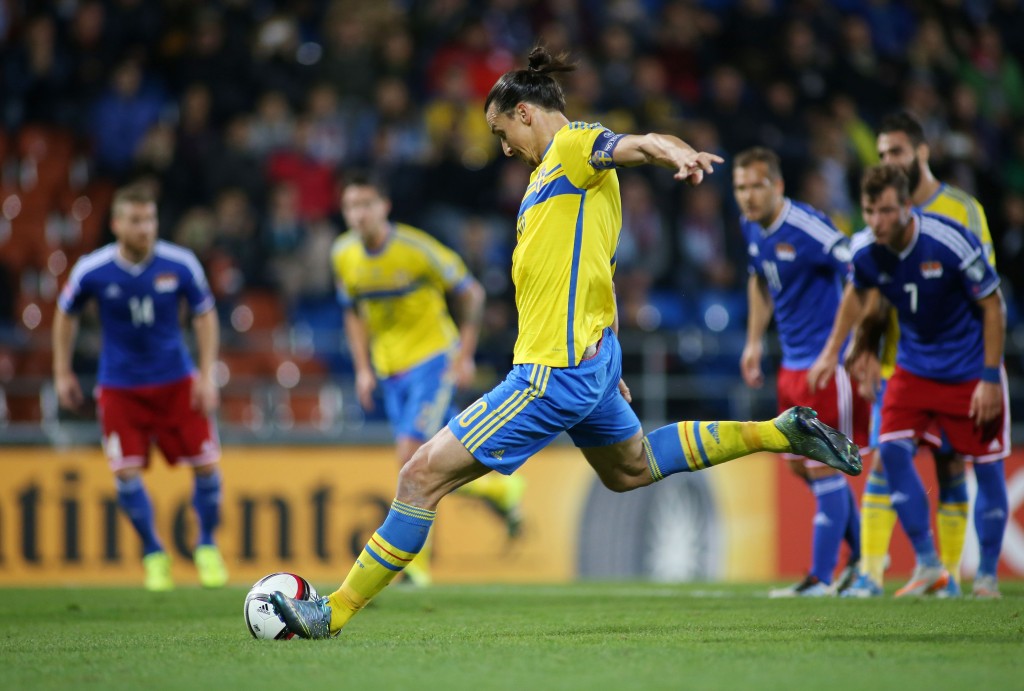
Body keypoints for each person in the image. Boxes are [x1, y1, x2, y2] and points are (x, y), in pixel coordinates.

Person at [270, 47, 861, 639]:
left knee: (419, 476)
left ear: (525, 113)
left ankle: (332, 613)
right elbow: (592, 270)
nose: (504, 148)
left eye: (503, 132)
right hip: (591, 359)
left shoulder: (574, 149)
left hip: (551, 372)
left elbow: (634, 143)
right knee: (631, 467)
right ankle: (779, 430)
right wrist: (607, 358)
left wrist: (671, 149)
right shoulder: (547, 182)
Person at [807, 164, 1009, 598]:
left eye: (884, 211)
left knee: (987, 468)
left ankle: (988, 578)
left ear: (907, 207)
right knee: (892, 450)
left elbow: (994, 306)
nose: (876, 222)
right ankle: (929, 565)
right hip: (913, 368)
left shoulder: (949, 240)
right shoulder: (865, 250)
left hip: (969, 370)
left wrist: (990, 378)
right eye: (868, 211)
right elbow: (857, 295)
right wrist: (838, 351)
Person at [331, 171, 526, 586]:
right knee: (442, 460)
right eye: (351, 206)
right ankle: (500, 492)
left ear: (385, 206)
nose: (359, 214)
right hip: (390, 372)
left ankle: (411, 564)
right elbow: (352, 312)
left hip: (433, 362)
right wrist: (363, 369)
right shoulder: (343, 255)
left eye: (366, 204)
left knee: (410, 456)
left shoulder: (416, 250)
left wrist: (466, 355)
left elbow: (471, 293)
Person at [52, 184, 227, 591]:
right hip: (119, 387)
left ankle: (206, 545)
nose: (144, 228)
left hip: (176, 381)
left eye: (149, 219)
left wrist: (206, 373)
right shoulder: (92, 270)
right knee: (126, 473)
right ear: (116, 224)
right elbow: (65, 316)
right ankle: (153, 553)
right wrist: (61, 372)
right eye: (135, 220)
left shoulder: (180, 263)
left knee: (205, 465)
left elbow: (205, 315)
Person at [734, 147, 869, 597]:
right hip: (791, 367)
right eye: (740, 187)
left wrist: (841, 347)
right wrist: (754, 341)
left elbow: (860, 272)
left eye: (756, 185)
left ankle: (820, 578)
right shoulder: (751, 226)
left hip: (828, 368)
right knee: (800, 469)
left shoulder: (809, 227)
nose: (748, 196)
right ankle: (862, 560)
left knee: (824, 469)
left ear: (778, 186)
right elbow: (759, 278)